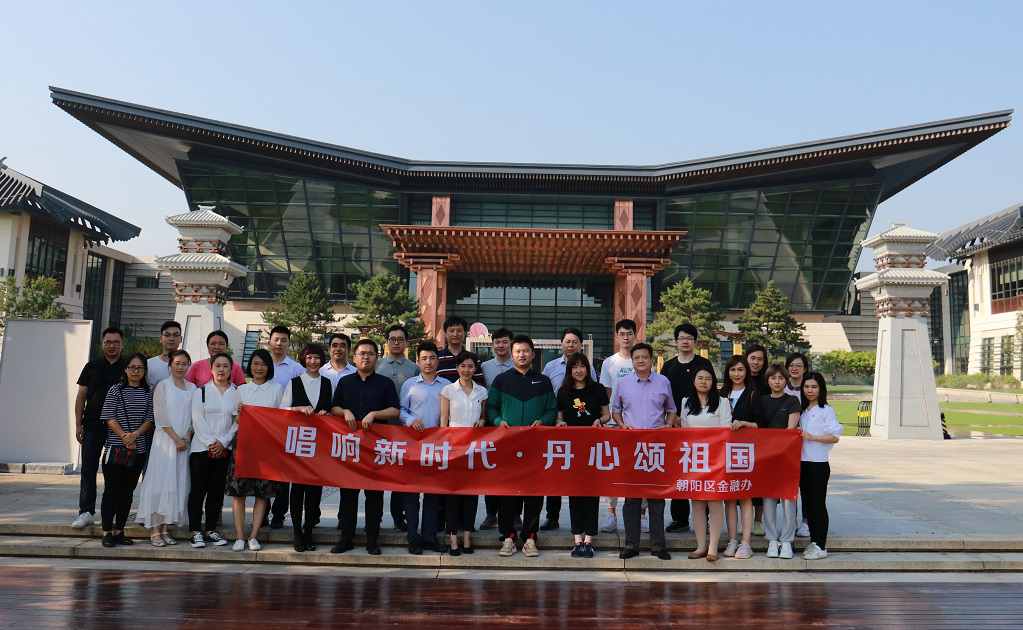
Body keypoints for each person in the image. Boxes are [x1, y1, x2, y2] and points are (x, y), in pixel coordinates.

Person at [488, 335, 557, 558]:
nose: (521, 354)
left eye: (525, 351)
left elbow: (551, 410)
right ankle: (508, 537)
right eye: (517, 351)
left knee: (534, 493)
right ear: (512, 354)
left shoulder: (543, 381)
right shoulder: (501, 380)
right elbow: (491, 408)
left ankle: (530, 537)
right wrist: (498, 421)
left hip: (535, 446)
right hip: (507, 446)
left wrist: (543, 421)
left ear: (533, 354)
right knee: (506, 493)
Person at [330, 339, 400, 555]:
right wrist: (345, 412)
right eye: (362, 353)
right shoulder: (345, 382)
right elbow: (334, 407)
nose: (366, 357)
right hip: (350, 447)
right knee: (348, 495)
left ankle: (372, 539)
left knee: (374, 496)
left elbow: (395, 410)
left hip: (375, 447)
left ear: (376, 358)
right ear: (354, 357)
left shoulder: (385, 383)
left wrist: (374, 414)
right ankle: (346, 538)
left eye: (370, 353)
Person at [612, 343, 676, 561]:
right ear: (632, 361)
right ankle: (631, 545)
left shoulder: (663, 381)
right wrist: (622, 425)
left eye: (644, 357)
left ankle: (658, 546)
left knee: (657, 497)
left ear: (651, 359)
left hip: (657, 447)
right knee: (632, 498)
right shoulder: (623, 383)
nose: (640, 361)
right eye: (636, 357)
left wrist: (668, 425)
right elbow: (616, 410)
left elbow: (671, 409)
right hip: (633, 447)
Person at [540, 327, 597, 531]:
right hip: (558, 426)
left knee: (582, 472)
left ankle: (585, 520)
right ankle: (552, 516)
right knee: (556, 470)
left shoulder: (589, 368)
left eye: (574, 342)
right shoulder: (550, 366)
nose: (571, 345)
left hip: (581, 429)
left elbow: (592, 393)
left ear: (581, 345)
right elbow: (545, 393)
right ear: (561, 343)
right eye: (567, 341)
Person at [227, 349, 284, 551]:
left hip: (266, 448)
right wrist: (241, 414)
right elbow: (236, 418)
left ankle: (253, 536)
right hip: (244, 446)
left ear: (269, 367)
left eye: (263, 364)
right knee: (239, 493)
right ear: (250, 366)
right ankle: (239, 537)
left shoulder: (277, 389)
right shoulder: (241, 389)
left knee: (262, 494)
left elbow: (281, 418)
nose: (259, 368)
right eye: (255, 363)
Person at [660, 323, 714, 533]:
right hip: (675, 425)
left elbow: (710, 391)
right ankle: (680, 518)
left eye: (689, 338)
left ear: (695, 341)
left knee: (701, 471)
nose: (685, 342)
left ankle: (704, 519)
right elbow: (664, 396)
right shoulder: (668, 366)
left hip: (700, 425)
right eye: (681, 338)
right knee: (679, 471)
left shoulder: (703, 363)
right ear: (676, 342)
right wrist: (672, 419)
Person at [137, 349, 195, 547]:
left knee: (175, 486)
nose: (180, 367)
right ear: (170, 365)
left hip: (184, 444)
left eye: (184, 364)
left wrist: (186, 438)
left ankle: (165, 528)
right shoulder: (163, 386)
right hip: (165, 442)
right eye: (177, 363)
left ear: (189, 366)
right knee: (159, 484)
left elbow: (194, 417)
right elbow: (160, 415)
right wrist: (176, 439)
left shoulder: (193, 388)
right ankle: (154, 529)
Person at [555, 352, 608, 559]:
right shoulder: (564, 391)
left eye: (582, 366)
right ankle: (577, 540)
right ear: (569, 370)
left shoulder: (598, 389)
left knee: (592, 494)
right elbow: (559, 417)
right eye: (574, 367)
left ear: (588, 369)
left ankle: (589, 541)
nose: (579, 370)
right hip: (572, 450)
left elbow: (606, 414)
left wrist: (599, 421)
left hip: (593, 448)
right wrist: (560, 423)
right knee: (575, 494)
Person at [98, 353, 155, 547]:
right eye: (132, 367)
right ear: (125, 369)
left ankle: (119, 531)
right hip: (116, 448)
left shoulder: (149, 393)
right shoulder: (116, 390)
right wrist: (125, 436)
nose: (136, 371)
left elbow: (150, 419)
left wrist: (135, 435)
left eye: (140, 368)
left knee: (127, 492)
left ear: (145, 371)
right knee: (111, 491)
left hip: (138, 450)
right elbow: (108, 416)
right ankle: (107, 531)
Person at [72, 327, 126, 529]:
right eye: (108, 342)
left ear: (122, 344)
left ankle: (112, 513)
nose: (112, 346)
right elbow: (81, 397)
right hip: (92, 426)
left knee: (116, 472)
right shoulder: (91, 367)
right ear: (102, 344)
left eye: (116, 342)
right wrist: (78, 424)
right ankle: (86, 512)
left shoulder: (128, 367)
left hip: (118, 430)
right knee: (88, 470)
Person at [281, 344, 332, 552]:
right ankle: (296, 532)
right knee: (297, 490)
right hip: (298, 444)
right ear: (303, 359)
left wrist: (327, 415)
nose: (313, 361)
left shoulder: (328, 383)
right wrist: (298, 408)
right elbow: (281, 410)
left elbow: (332, 411)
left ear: (322, 360)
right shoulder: (294, 383)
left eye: (317, 358)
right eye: (309, 357)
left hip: (319, 446)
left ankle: (309, 531)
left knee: (315, 491)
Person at [398, 342, 447, 554]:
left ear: (438, 361)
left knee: (432, 494)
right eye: (424, 358)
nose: (428, 362)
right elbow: (400, 410)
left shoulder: (446, 386)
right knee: (411, 493)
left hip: (437, 446)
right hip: (413, 445)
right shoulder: (409, 385)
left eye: (432, 358)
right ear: (418, 361)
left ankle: (429, 537)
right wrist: (410, 421)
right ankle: (413, 537)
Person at [679, 367, 731, 562]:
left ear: (713, 382)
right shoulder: (686, 402)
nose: (703, 382)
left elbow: (726, 430)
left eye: (708, 378)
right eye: (700, 378)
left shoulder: (722, 402)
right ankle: (701, 545)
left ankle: (713, 547)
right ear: (694, 381)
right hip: (694, 459)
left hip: (715, 459)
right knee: (697, 502)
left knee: (714, 501)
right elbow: (684, 431)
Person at [440, 350, 488, 556]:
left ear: (475, 368)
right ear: (457, 368)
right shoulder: (448, 390)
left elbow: (484, 416)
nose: (466, 370)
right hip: (453, 448)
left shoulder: (482, 392)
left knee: (471, 495)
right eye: (462, 366)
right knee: (453, 496)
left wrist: (482, 421)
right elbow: (443, 421)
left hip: (474, 449)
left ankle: (467, 536)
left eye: (470, 366)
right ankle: (453, 539)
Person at [187, 353, 238, 548]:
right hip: (201, 448)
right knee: (198, 490)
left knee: (216, 491)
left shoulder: (237, 392)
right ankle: (195, 531)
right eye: (218, 366)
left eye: (225, 366)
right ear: (211, 368)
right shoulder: (201, 392)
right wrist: (211, 443)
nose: (221, 369)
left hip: (224, 449)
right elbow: (197, 419)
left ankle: (210, 530)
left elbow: (238, 421)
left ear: (231, 369)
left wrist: (223, 442)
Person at [376, 324, 419, 533]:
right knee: (376, 474)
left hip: (404, 430)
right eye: (392, 339)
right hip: (378, 428)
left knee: (401, 477)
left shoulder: (414, 368)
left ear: (406, 343)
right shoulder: (377, 364)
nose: (396, 343)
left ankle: (398, 517)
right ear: (386, 342)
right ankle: (374, 517)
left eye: (400, 339)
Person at [598, 318, 639, 534]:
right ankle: (611, 514)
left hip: (638, 424)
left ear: (635, 335)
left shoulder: (641, 358)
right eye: (622, 334)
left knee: (639, 469)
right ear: (617, 336)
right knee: (612, 470)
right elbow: (606, 393)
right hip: (614, 424)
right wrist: (608, 418)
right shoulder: (609, 363)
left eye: (629, 333)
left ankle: (642, 515)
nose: (625, 337)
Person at [757, 364, 802, 560]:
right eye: (773, 378)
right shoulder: (761, 401)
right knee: (768, 499)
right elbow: (757, 428)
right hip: (765, 457)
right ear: (767, 380)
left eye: (781, 378)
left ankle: (787, 540)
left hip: (786, 457)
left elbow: (790, 432)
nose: (777, 382)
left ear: (786, 380)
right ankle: (772, 539)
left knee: (788, 499)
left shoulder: (792, 401)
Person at [721, 355, 761, 560]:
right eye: (732, 370)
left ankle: (746, 543)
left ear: (746, 372)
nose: (736, 374)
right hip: (723, 453)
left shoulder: (754, 395)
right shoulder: (721, 394)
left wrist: (745, 424)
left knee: (745, 497)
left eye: (740, 370)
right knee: (729, 497)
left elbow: (763, 424)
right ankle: (732, 540)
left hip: (745, 453)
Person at [799, 372, 842, 560]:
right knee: (808, 505)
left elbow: (834, 437)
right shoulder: (803, 410)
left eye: (814, 387)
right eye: (806, 386)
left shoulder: (826, 410)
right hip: (803, 463)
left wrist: (813, 437)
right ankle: (814, 542)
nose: (810, 390)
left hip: (818, 464)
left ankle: (821, 545)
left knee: (818, 505)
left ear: (821, 389)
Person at [263, 326, 303, 529]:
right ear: (269, 342)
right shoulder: (261, 365)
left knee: (282, 473)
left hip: (286, 428)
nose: (279, 343)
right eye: (276, 339)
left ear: (289, 343)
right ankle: (262, 512)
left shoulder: (297, 370)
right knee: (263, 470)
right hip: (263, 426)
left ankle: (278, 513)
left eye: (283, 340)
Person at [478, 327, 514, 530]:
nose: (501, 346)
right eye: (497, 342)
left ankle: (515, 514)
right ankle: (491, 513)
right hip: (491, 423)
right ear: (492, 345)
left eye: (505, 342)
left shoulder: (519, 364)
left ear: (511, 344)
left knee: (514, 469)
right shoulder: (484, 367)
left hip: (514, 424)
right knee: (491, 470)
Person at [785, 351, 812, 537]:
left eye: (799, 366)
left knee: (807, 485)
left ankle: (806, 522)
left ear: (805, 369)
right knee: (789, 484)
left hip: (806, 443)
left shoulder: (809, 389)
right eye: (791, 365)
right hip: (787, 444)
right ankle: (791, 521)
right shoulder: (782, 387)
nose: (794, 369)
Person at [744, 343, 769, 536]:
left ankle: (758, 521)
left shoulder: (768, 382)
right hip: (741, 439)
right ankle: (742, 520)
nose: (756, 362)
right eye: (752, 358)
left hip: (761, 437)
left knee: (760, 479)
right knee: (741, 479)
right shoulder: (739, 379)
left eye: (760, 359)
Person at [437, 315, 486, 385]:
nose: (455, 334)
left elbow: (479, 383)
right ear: (445, 334)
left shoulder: (473, 358)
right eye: (451, 331)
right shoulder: (437, 357)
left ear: (465, 333)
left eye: (459, 331)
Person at [147, 321, 182, 388]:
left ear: (181, 339)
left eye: (175, 335)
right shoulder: (149, 364)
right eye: (167, 335)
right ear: (161, 339)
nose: (171, 339)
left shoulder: (188, 366)